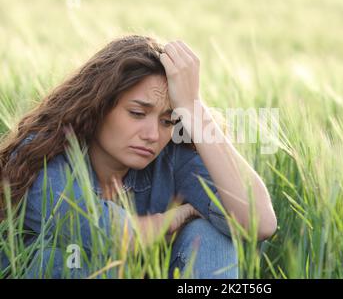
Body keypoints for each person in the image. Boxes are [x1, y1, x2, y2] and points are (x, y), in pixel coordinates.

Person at [0, 35, 277, 278]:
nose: (152, 135)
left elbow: (260, 223)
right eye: (137, 113)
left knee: (215, 235)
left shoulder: (171, 159)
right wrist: (177, 216)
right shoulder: (44, 155)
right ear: (98, 106)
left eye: (167, 121)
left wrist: (194, 110)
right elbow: (106, 236)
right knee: (68, 258)